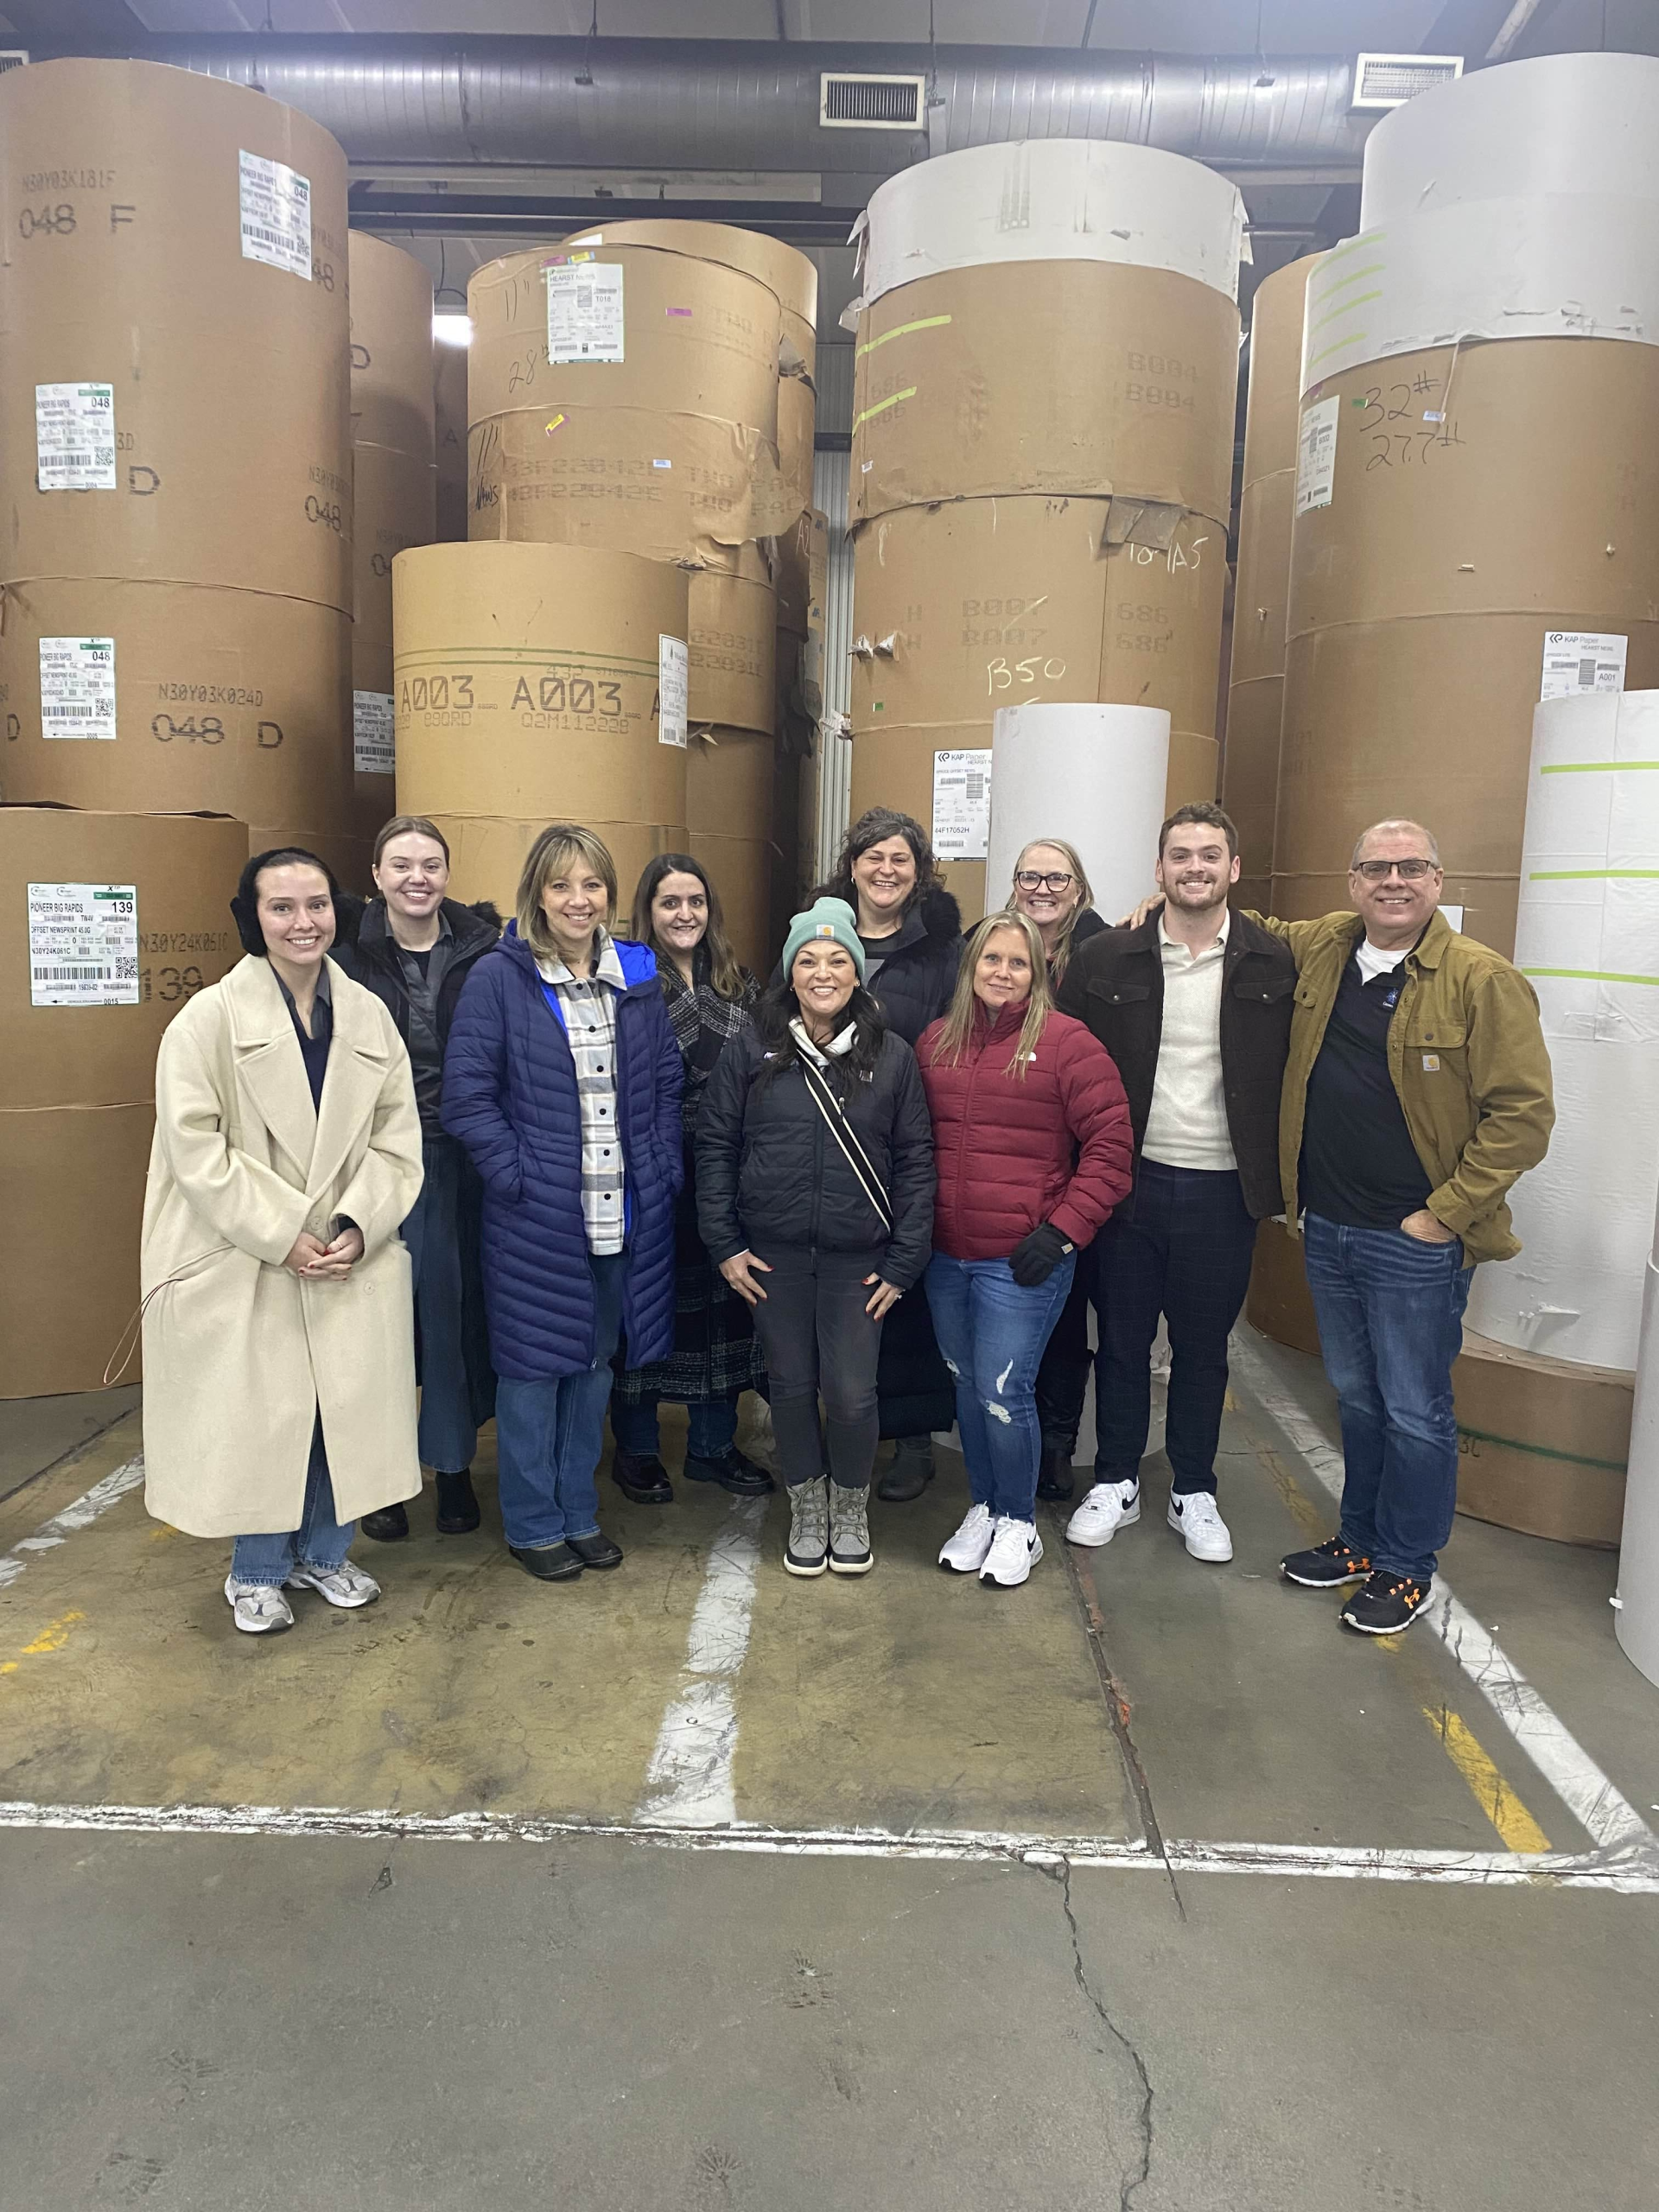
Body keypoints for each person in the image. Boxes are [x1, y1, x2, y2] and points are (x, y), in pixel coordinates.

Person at [1252, 820, 1554, 1633]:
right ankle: (1358, 1540)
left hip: (1414, 1240)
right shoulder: (1326, 947)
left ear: (1437, 879)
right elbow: (1258, 928)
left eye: (1410, 867)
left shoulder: (1480, 979)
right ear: (1352, 882)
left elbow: (1523, 1117)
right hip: (1330, 1226)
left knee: (1416, 1407)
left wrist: (1444, 1215)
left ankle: (1407, 1564)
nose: (1393, 881)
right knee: (1355, 1395)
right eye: (1376, 868)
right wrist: (1153, 905)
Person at [140, 848, 424, 1636]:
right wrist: (283, 1233)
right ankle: (257, 1570)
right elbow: (195, 1150)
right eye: (282, 908)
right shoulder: (207, 1022)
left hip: (346, 1255)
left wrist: (358, 1224)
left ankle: (325, 1553)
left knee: (346, 1413)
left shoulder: (367, 1016)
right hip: (249, 1255)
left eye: (317, 905)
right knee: (270, 1420)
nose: (304, 923)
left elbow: (399, 1141)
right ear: (252, 919)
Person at [442, 824, 683, 1583]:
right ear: (536, 895)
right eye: (561, 886)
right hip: (535, 1219)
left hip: (623, 1216)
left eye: (593, 885)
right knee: (531, 1376)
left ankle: (579, 1512)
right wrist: (516, 1177)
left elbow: (666, 1085)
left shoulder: (637, 977)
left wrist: (662, 1165)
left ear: (611, 894)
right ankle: (534, 1522)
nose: (579, 901)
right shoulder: (500, 978)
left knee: (595, 1370)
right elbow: (468, 1098)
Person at [1056, 804, 1295, 1564]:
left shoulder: (1275, 961)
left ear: (1234, 869)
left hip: (1226, 1191)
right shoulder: (1106, 960)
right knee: (1121, 1342)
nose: (1195, 867)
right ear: (1158, 871)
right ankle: (1119, 1478)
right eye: (1180, 855)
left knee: (1202, 1347)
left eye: (1210, 855)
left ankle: (1194, 1487)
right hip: (1127, 1185)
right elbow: (1063, 1064)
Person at [698, 897, 935, 1578]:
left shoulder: (892, 1058)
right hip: (772, 1255)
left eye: (837, 960)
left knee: (855, 1393)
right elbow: (715, 1144)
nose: (822, 972)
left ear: (857, 975)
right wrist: (724, 1242)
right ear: (789, 972)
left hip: (858, 1258)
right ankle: (807, 1506)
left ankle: (849, 1505)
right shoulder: (752, 1047)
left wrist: (903, 1262)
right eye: (807, 960)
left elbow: (918, 1162)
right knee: (792, 1386)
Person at [919, 911, 1133, 1588]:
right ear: (970, 967)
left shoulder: (1070, 1046)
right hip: (946, 1256)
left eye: (1017, 962)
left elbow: (1112, 1149)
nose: (1002, 973)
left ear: (1038, 972)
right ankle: (983, 1505)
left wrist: (1064, 1229)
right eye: (991, 960)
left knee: (1005, 1394)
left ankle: (1019, 1522)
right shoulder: (935, 1043)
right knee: (966, 1386)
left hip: (1022, 1261)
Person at [334, 815, 500, 1542]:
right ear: (376, 876)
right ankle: (383, 1476)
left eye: (430, 865)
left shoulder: (485, 949)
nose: (416, 878)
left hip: (463, 1157)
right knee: (379, 1314)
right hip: (374, 1159)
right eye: (400, 865)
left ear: (447, 873)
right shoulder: (346, 956)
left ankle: (453, 1465)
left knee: (454, 1312)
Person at [808, 809, 962, 1501]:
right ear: (853, 864)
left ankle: (910, 1441)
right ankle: (838, 1429)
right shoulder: (815, 930)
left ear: (918, 870)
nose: (886, 870)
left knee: (903, 1294)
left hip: (902, 1134)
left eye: (900, 859)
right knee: (833, 1295)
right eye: (873, 856)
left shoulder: (940, 950)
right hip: (821, 1137)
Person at [608, 853, 771, 1504]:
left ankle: (711, 1446)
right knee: (645, 1310)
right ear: (648, 911)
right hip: (652, 1168)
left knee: (724, 1313)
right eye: (670, 902)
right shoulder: (626, 979)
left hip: (727, 1168)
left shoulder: (739, 982)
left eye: (695, 902)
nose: (684, 914)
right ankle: (638, 1448)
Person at [1008, 836, 1107, 1501]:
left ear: (1078, 888)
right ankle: (1009, 1432)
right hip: (1007, 1156)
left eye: (1057, 878)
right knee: (1009, 1302)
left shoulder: (1108, 954)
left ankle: (1056, 1443)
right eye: (1030, 876)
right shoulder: (989, 943)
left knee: (1067, 1315)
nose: (1042, 888)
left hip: (1075, 1162)